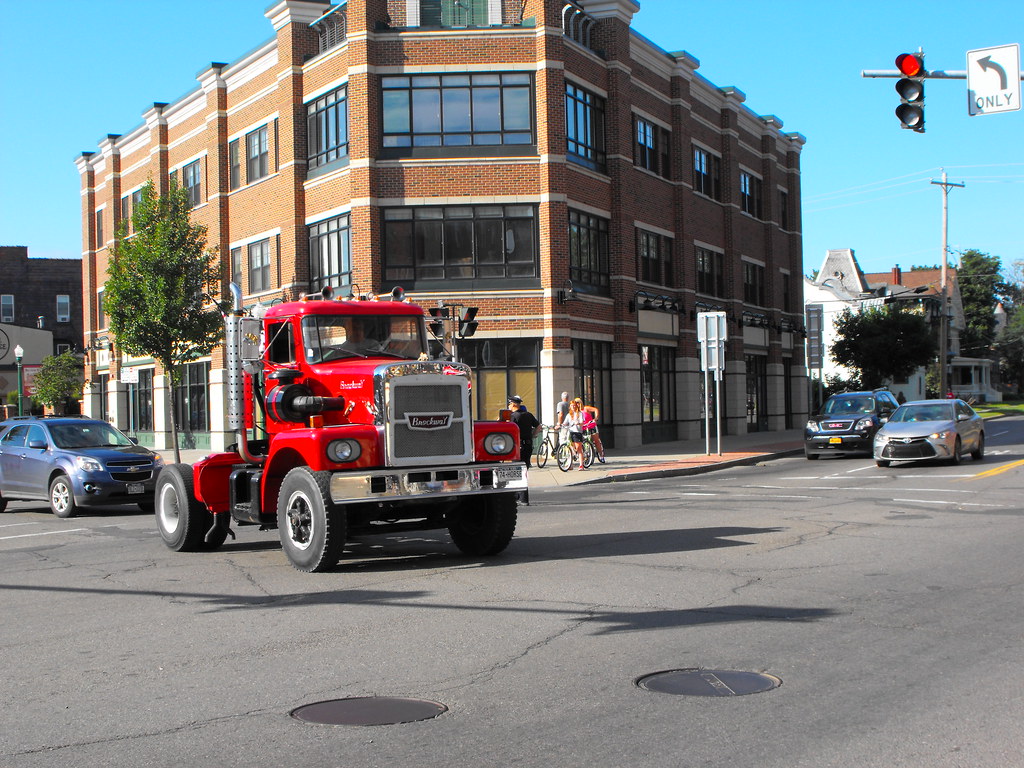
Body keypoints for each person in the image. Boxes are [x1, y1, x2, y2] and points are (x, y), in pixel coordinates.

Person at [508, 395, 540, 504]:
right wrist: (533, 435)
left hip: (517, 446)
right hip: (528, 445)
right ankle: (518, 496)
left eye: (509, 404)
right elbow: (538, 426)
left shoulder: (513, 416)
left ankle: (522, 498)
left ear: (513, 404)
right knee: (523, 470)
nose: (509, 406)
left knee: (517, 471)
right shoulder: (528, 415)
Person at [575, 397, 606, 463]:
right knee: (583, 441)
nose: (577, 405)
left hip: (591, 426)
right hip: (583, 428)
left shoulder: (585, 408)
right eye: (576, 403)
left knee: (596, 440)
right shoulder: (576, 412)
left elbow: (595, 409)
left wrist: (596, 418)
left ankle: (601, 455)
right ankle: (586, 455)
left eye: (578, 403)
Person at [563, 399, 587, 470]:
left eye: (574, 405)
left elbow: (582, 422)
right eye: (571, 405)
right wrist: (560, 425)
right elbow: (565, 423)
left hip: (577, 432)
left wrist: (578, 423)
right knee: (571, 448)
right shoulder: (568, 415)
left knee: (578, 449)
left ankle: (581, 465)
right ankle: (570, 464)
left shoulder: (579, 414)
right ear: (569, 407)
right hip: (571, 432)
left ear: (576, 406)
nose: (573, 407)